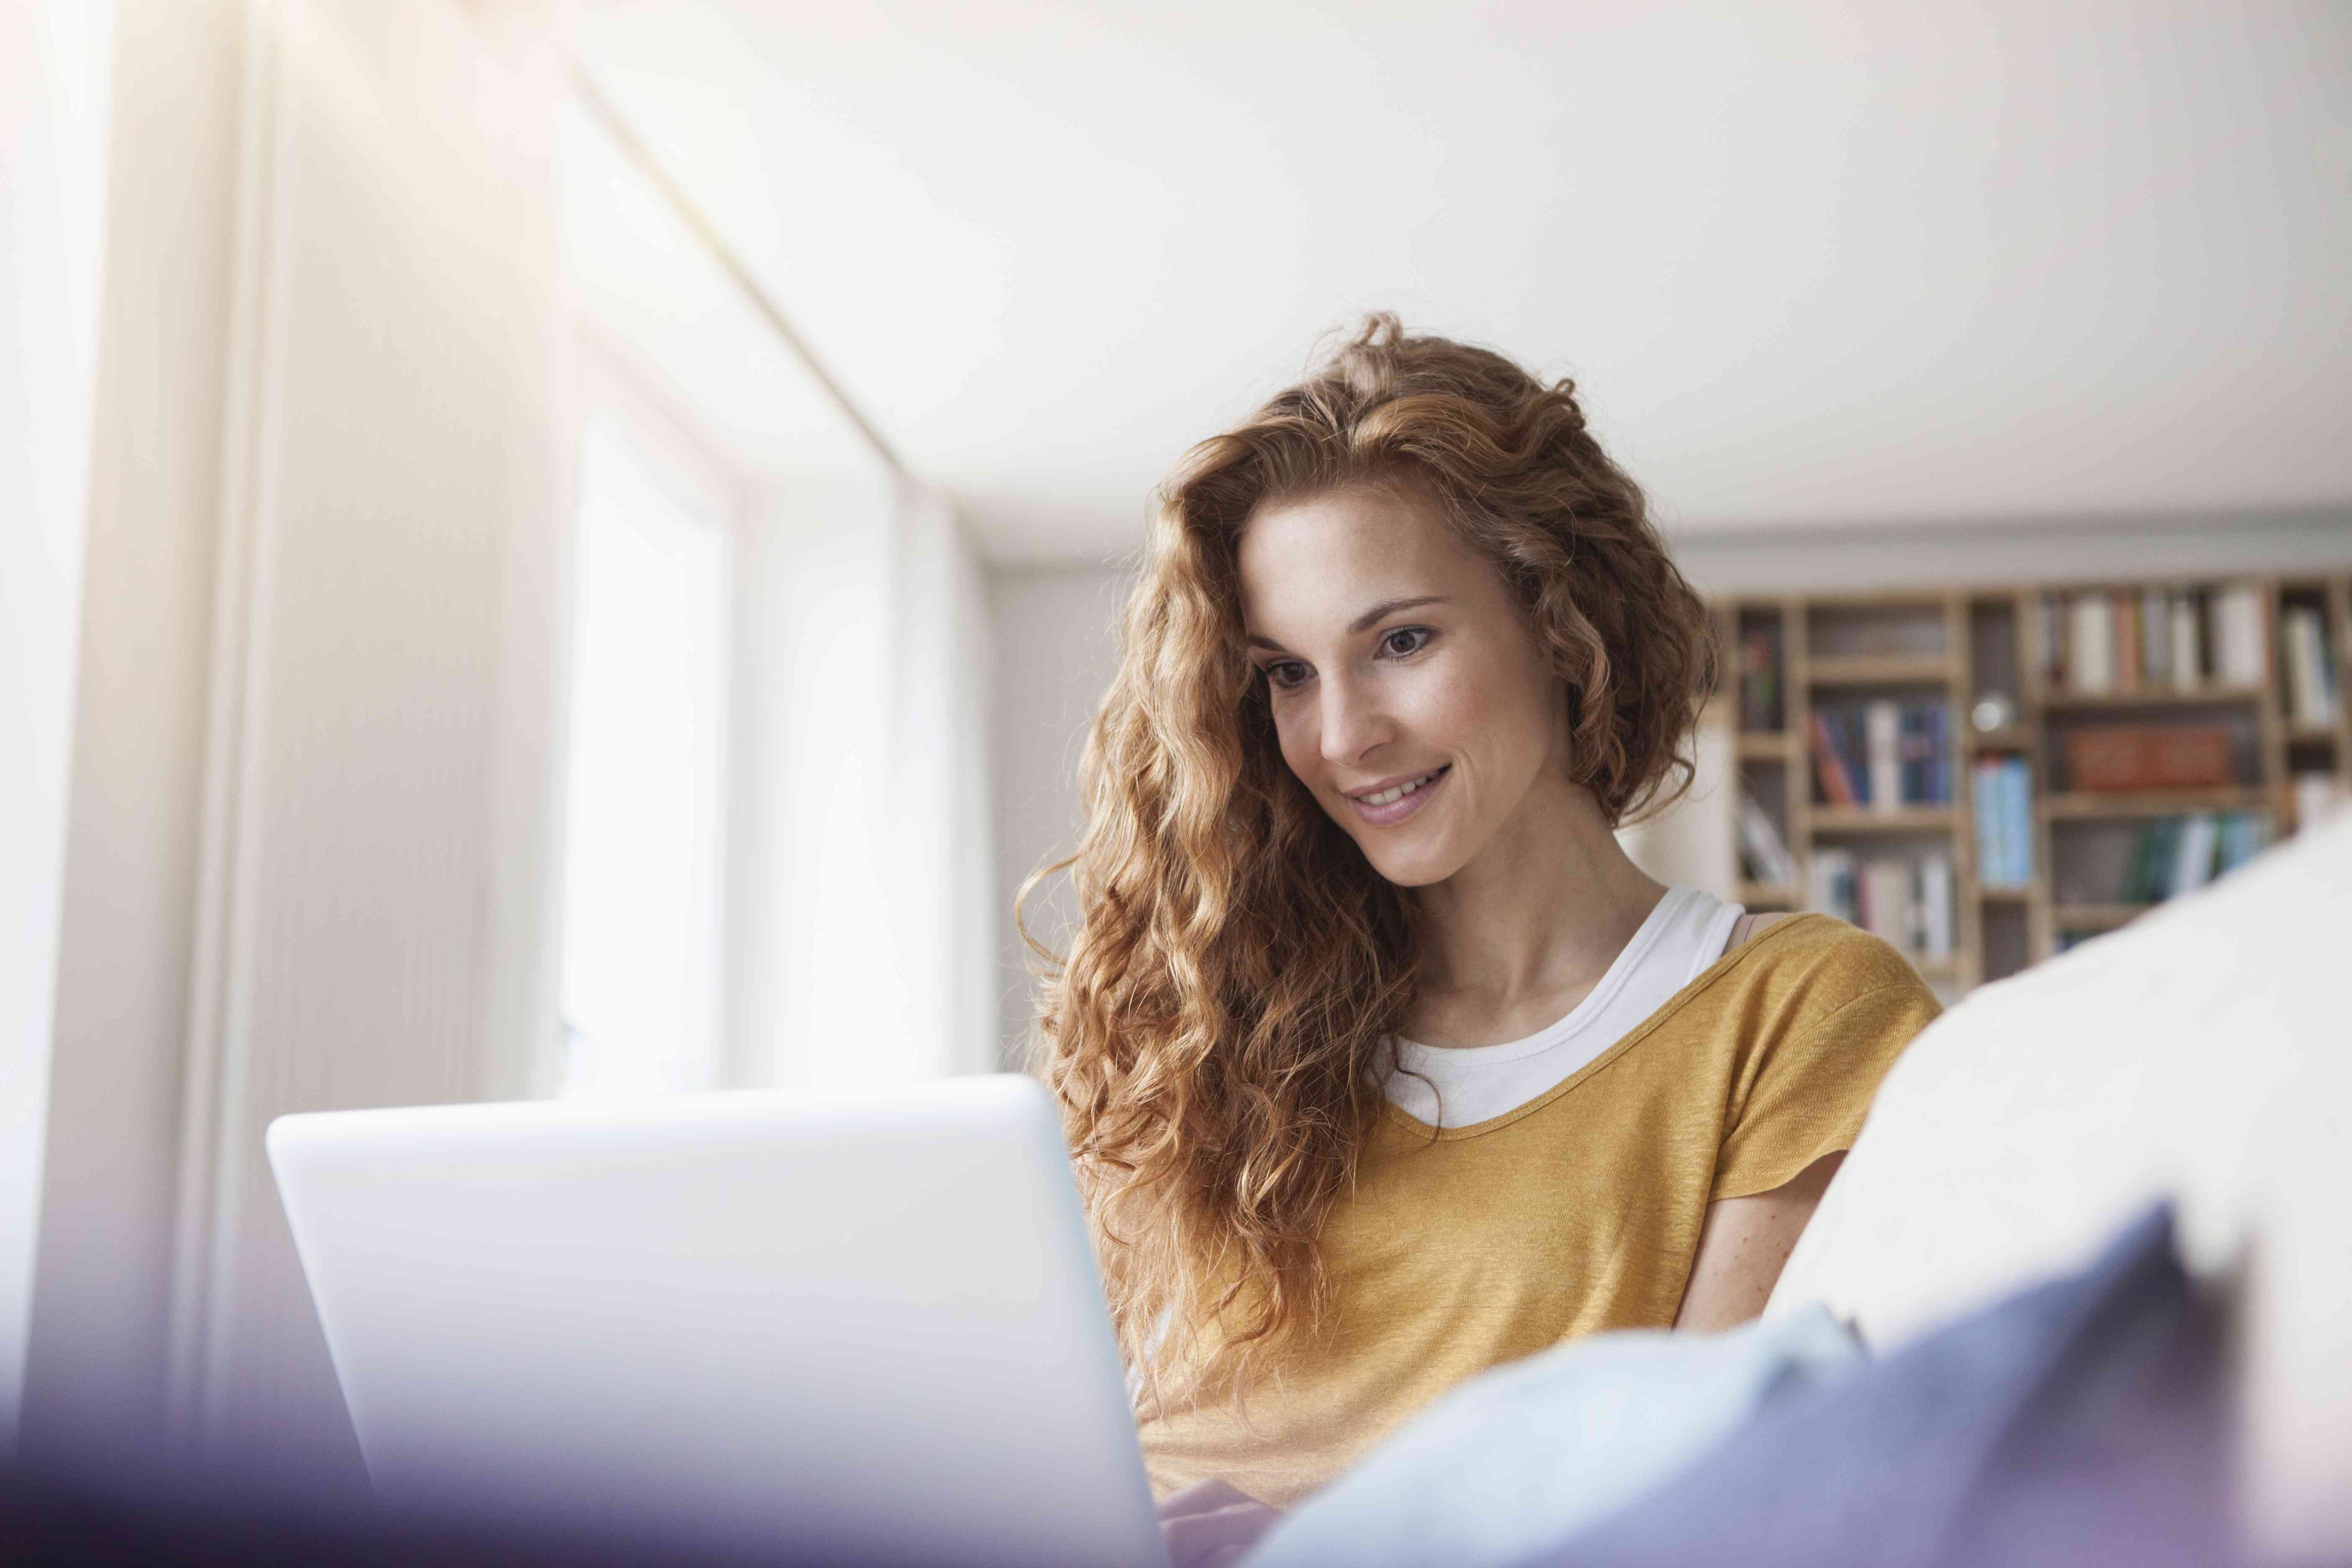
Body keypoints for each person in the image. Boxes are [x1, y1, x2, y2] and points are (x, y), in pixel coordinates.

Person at [1025, 317, 1940, 1567]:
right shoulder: (1205, 1030)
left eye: (1400, 642)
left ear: (1563, 629)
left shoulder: (1791, 1016)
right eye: (1287, 674)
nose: (1341, 736)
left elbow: (1704, 1517)